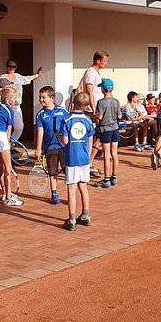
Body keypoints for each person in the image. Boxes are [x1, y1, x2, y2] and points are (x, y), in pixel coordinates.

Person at [59, 92, 95, 231]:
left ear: (73, 102)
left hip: (72, 157)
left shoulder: (67, 120)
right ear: (86, 107)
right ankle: (86, 215)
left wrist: (59, 137)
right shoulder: (87, 120)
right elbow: (91, 140)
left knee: (71, 188)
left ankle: (72, 218)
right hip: (84, 158)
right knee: (83, 186)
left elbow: (66, 141)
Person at [32, 85, 70, 206]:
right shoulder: (40, 115)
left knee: (67, 171)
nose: (41, 100)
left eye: (44, 97)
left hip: (64, 147)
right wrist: (38, 149)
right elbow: (40, 132)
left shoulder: (63, 111)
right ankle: (54, 193)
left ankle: (70, 194)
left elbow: (69, 127)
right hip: (50, 148)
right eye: (40, 97)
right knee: (52, 171)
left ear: (52, 97)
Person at [0, 60, 43, 139]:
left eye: (13, 67)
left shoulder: (17, 76)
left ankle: (12, 144)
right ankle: (5, 146)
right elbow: (3, 86)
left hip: (16, 106)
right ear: (6, 66)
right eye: (9, 66)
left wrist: (37, 75)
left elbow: (26, 79)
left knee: (19, 128)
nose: (11, 68)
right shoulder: (3, 77)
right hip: (6, 106)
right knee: (6, 127)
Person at [80, 51, 109, 177]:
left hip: (97, 109)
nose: (106, 63)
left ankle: (89, 164)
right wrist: (94, 110)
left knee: (98, 139)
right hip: (91, 112)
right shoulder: (90, 73)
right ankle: (87, 165)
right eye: (105, 61)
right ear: (98, 61)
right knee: (92, 139)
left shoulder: (96, 73)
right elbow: (90, 93)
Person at [0, 87, 21, 206]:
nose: (15, 99)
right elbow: (9, 129)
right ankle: (8, 197)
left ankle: (5, 193)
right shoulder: (10, 110)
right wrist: (8, 143)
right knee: (7, 168)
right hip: (2, 138)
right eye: (13, 97)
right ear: (8, 99)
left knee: (1, 167)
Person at [93, 78, 120, 189]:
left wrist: (94, 117)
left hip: (105, 129)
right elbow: (119, 116)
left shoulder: (101, 102)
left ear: (103, 89)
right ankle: (114, 177)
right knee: (115, 153)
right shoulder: (116, 101)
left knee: (107, 155)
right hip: (115, 128)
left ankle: (106, 179)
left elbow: (99, 117)